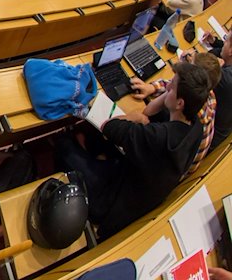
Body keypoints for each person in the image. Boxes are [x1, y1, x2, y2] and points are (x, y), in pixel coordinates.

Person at [56, 62, 208, 240]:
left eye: (171, 87)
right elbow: (150, 113)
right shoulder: (196, 127)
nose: (167, 87)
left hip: (112, 201)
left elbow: (110, 127)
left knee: (63, 145)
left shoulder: (158, 137)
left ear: (180, 103)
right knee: (98, 140)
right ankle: (96, 155)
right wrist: (150, 114)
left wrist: (135, 117)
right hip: (136, 184)